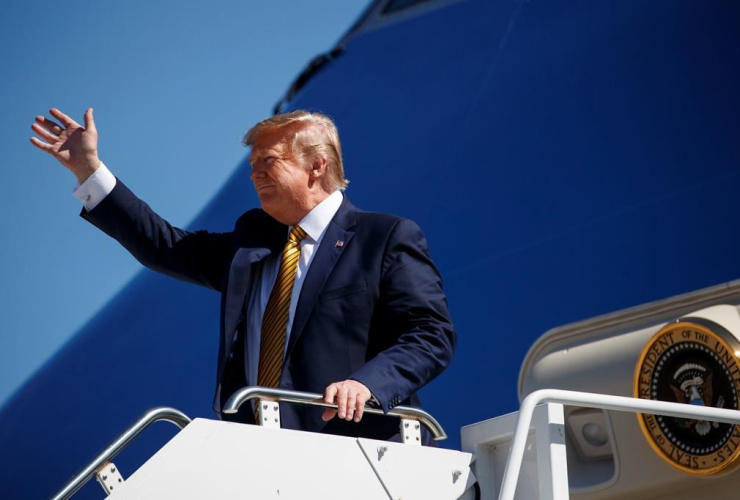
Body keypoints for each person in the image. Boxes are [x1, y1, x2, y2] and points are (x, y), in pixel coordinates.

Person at [30, 107, 456, 444]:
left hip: (355, 450)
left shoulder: (383, 237)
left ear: (316, 166)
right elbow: (165, 246)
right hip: (257, 454)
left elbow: (430, 334)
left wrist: (367, 385)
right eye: (252, 164)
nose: (254, 174)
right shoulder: (253, 243)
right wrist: (89, 171)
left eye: (268, 161)